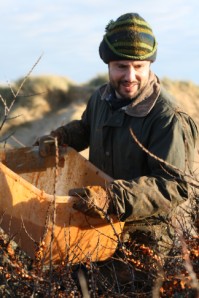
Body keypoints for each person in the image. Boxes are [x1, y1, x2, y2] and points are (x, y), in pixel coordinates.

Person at [34, 13, 198, 295]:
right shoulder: (100, 98)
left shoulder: (167, 117)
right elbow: (87, 128)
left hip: (144, 239)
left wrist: (110, 197)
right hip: (96, 228)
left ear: (150, 65)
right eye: (121, 66)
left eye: (139, 66)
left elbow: (174, 186)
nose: (130, 76)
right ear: (108, 65)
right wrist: (62, 137)